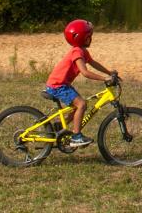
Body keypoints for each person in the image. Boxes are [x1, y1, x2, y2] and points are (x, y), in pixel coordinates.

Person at [45, 19, 116, 147]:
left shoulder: (82, 51)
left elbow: (94, 63)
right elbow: (85, 72)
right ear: (83, 38)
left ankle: (61, 125)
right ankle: (76, 137)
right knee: (81, 104)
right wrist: (104, 79)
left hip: (62, 84)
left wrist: (109, 72)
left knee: (79, 105)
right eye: (89, 36)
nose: (91, 38)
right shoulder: (77, 52)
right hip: (58, 86)